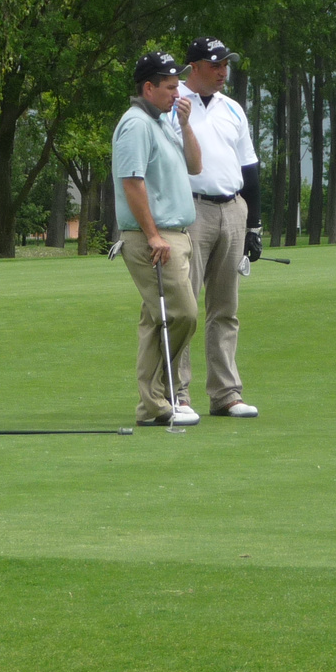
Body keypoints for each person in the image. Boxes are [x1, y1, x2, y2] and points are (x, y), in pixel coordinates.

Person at [112, 51, 203, 427]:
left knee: (156, 321)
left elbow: (195, 166)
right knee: (182, 313)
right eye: (169, 86)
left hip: (177, 235)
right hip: (154, 238)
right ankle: (157, 401)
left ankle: (153, 407)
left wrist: (185, 125)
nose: (177, 92)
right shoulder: (135, 124)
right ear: (148, 88)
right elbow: (131, 182)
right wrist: (152, 235)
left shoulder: (165, 121)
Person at [175, 38, 263, 418]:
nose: (224, 72)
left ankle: (226, 394)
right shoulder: (171, 102)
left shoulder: (232, 109)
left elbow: (249, 169)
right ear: (193, 67)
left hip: (232, 208)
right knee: (185, 308)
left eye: (226, 64)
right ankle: (176, 394)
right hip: (190, 210)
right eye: (216, 65)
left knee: (225, 308)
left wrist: (254, 225)